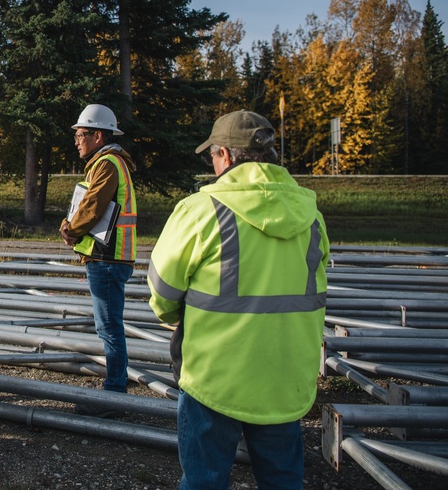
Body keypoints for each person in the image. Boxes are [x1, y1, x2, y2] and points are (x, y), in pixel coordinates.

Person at [148, 110, 329, 489]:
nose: (213, 166)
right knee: (282, 480)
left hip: (215, 377)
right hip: (286, 376)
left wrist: (175, 316)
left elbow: (163, 290)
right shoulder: (311, 215)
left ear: (226, 156)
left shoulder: (201, 210)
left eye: (212, 156)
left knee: (204, 480)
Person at [59, 104, 137, 404]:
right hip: (108, 257)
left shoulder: (107, 163)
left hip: (107, 258)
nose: (77, 140)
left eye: (81, 134)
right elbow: (87, 205)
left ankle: (114, 394)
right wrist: (70, 224)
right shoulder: (108, 163)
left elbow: (93, 206)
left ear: (98, 135)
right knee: (109, 326)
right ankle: (115, 388)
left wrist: (72, 230)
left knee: (109, 328)